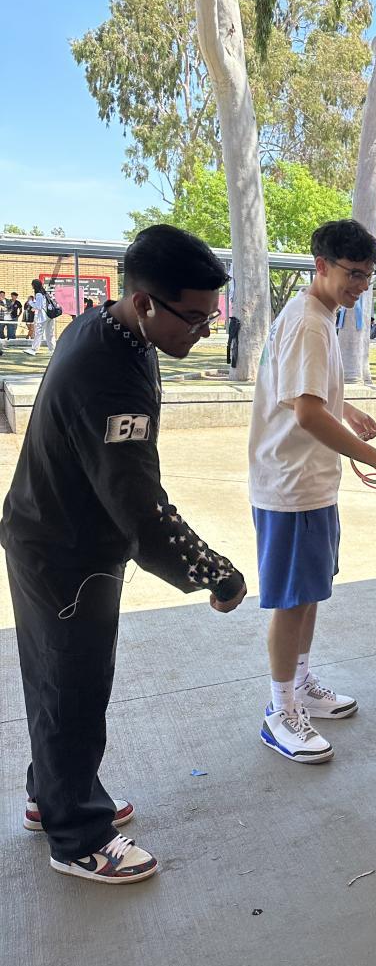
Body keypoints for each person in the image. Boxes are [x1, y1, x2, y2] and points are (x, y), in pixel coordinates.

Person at [0, 226, 247, 885]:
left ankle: (52, 792)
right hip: (66, 552)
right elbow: (139, 507)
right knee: (74, 687)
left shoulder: (109, 329)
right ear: (143, 302)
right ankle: (77, 835)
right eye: (192, 318)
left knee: (57, 678)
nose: (204, 331)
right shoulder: (106, 372)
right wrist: (213, 572)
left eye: (211, 316)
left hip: (53, 534)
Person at [248, 219, 376, 765]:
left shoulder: (318, 315)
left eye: (368, 275)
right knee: (291, 600)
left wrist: (347, 408)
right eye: (353, 273)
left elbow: (306, 394)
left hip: (311, 484)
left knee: (310, 591)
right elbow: (306, 414)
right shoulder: (310, 323)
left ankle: (299, 685)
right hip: (290, 484)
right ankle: (280, 711)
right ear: (321, 265)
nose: (361, 285)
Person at [28, 279, 58, 355]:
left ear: (34, 285)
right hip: (50, 315)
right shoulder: (45, 293)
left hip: (43, 317)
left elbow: (39, 306)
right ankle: (53, 350)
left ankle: (34, 349)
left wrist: (30, 302)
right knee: (50, 333)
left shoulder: (38, 294)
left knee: (39, 333)